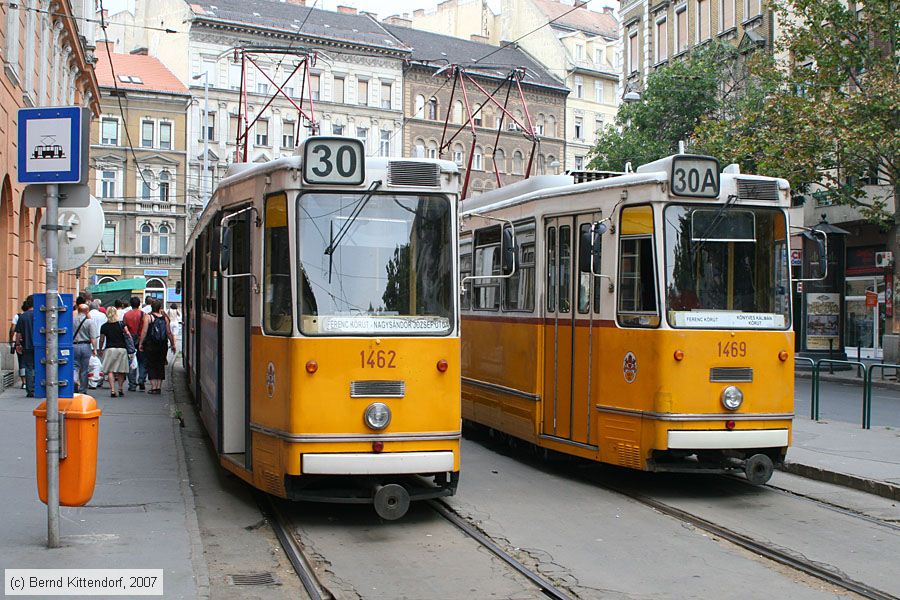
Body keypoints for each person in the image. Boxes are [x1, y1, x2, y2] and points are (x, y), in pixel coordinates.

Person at [139, 299, 176, 395]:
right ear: (160, 308)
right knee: (160, 364)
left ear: (152, 307)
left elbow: (144, 331)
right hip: (162, 345)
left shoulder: (148, 317)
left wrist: (141, 343)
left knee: (151, 364)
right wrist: (172, 344)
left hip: (150, 344)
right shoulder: (165, 318)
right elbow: (168, 332)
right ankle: (159, 386)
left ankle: (153, 387)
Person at [99, 307, 131, 397]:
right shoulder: (121, 324)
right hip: (122, 349)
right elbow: (128, 334)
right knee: (121, 370)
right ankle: (120, 388)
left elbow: (101, 339)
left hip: (110, 349)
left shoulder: (104, 326)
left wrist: (100, 349)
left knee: (110, 370)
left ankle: (113, 390)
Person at [72, 303, 99, 394]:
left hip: (74, 345)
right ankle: (83, 389)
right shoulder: (89, 322)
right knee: (84, 369)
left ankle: (74, 380)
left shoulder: (71, 320)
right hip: (85, 346)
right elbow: (93, 337)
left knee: (74, 366)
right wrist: (94, 349)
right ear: (87, 311)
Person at [123, 296, 147, 391]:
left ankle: (132, 384)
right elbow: (145, 327)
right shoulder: (143, 314)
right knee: (142, 361)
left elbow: (124, 328)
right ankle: (141, 379)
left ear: (130, 304)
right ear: (139, 304)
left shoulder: (126, 315)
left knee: (131, 361)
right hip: (141, 339)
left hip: (129, 340)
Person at [14, 295, 36, 397]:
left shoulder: (22, 316)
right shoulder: (39, 316)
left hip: (27, 345)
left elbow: (18, 333)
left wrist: (17, 344)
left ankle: (30, 390)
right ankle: (38, 387)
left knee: (28, 367)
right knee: (38, 367)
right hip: (39, 346)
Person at [9, 307, 25, 389]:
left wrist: (11, 339)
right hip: (31, 342)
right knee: (31, 363)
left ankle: (24, 382)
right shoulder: (35, 315)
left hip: (20, 342)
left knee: (21, 362)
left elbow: (12, 329)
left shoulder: (18, 316)